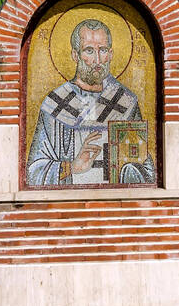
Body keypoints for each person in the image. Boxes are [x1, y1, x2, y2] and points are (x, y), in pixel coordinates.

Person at [26, 19, 153, 186]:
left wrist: (128, 170)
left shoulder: (125, 101)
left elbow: (146, 168)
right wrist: (71, 167)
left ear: (111, 54)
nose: (98, 60)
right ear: (75, 55)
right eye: (89, 51)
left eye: (103, 50)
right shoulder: (56, 104)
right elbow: (33, 171)